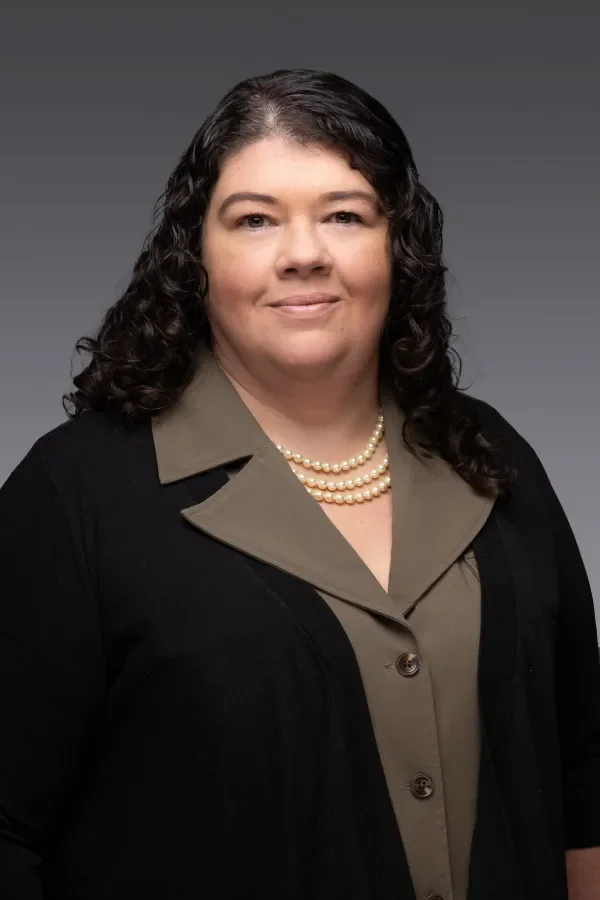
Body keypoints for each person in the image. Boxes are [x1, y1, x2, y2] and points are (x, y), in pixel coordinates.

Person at [0, 67, 598, 900]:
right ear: (194, 256)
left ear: (399, 247)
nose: (304, 254)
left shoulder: (491, 456)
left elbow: (581, 789)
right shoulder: (72, 497)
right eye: (254, 220)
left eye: (346, 215)